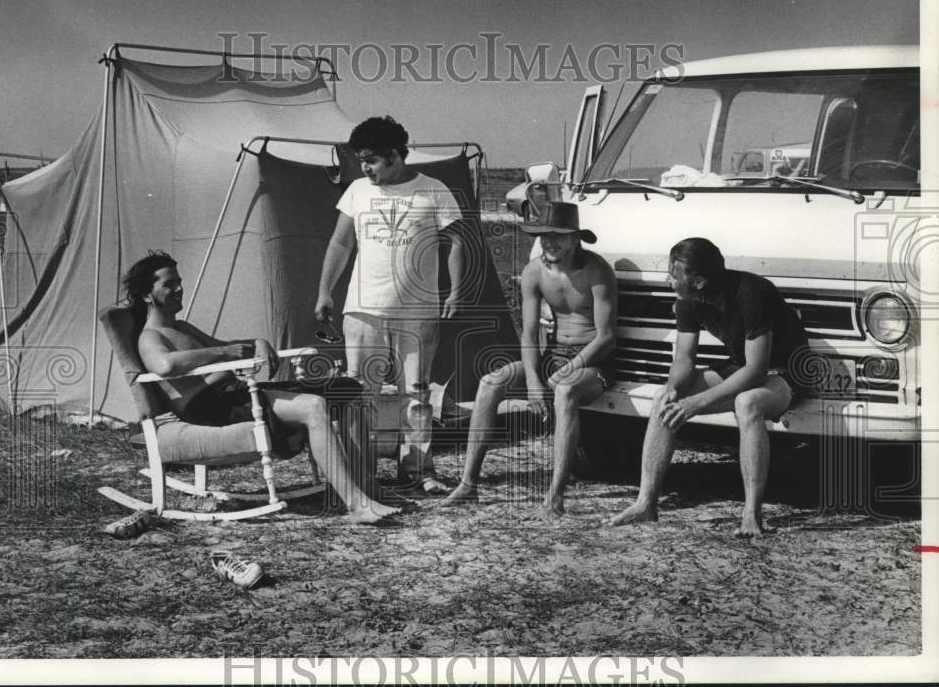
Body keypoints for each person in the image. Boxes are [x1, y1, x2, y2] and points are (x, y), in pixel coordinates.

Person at [124, 251, 399, 525]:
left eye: (179, 281)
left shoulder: (183, 327)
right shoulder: (150, 337)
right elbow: (165, 365)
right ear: (147, 295)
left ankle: (365, 486)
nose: (179, 288)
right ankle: (356, 506)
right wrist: (222, 353)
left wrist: (257, 341)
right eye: (169, 284)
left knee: (347, 391)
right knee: (313, 406)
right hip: (210, 406)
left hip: (235, 396)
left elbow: (228, 346)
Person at [611, 237, 811, 537]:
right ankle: (646, 503)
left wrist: (697, 403)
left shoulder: (752, 293)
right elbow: (684, 358)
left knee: (748, 403)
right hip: (744, 367)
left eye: (673, 273)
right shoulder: (688, 301)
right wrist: (675, 388)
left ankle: (751, 515)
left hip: (788, 371)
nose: (668, 278)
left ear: (699, 280)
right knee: (663, 398)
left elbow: (757, 372)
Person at [315, 116, 465, 496]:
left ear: (397, 155)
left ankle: (416, 471)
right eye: (360, 159)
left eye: (372, 160)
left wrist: (456, 290)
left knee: (416, 394)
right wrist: (325, 291)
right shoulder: (356, 191)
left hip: (418, 311)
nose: (365, 167)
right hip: (363, 309)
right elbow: (340, 244)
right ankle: (359, 472)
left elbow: (457, 243)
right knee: (360, 394)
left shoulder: (434, 190)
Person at [443, 201, 617, 517]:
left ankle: (555, 497)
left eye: (558, 236)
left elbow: (605, 337)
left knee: (564, 391)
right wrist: (535, 382)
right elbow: (528, 333)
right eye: (543, 235)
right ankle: (468, 484)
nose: (549, 242)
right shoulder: (534, 271)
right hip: (554, 355)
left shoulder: (596, 270)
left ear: (575, 238)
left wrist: (565, 371)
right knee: (491, 382)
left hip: (591, 361)